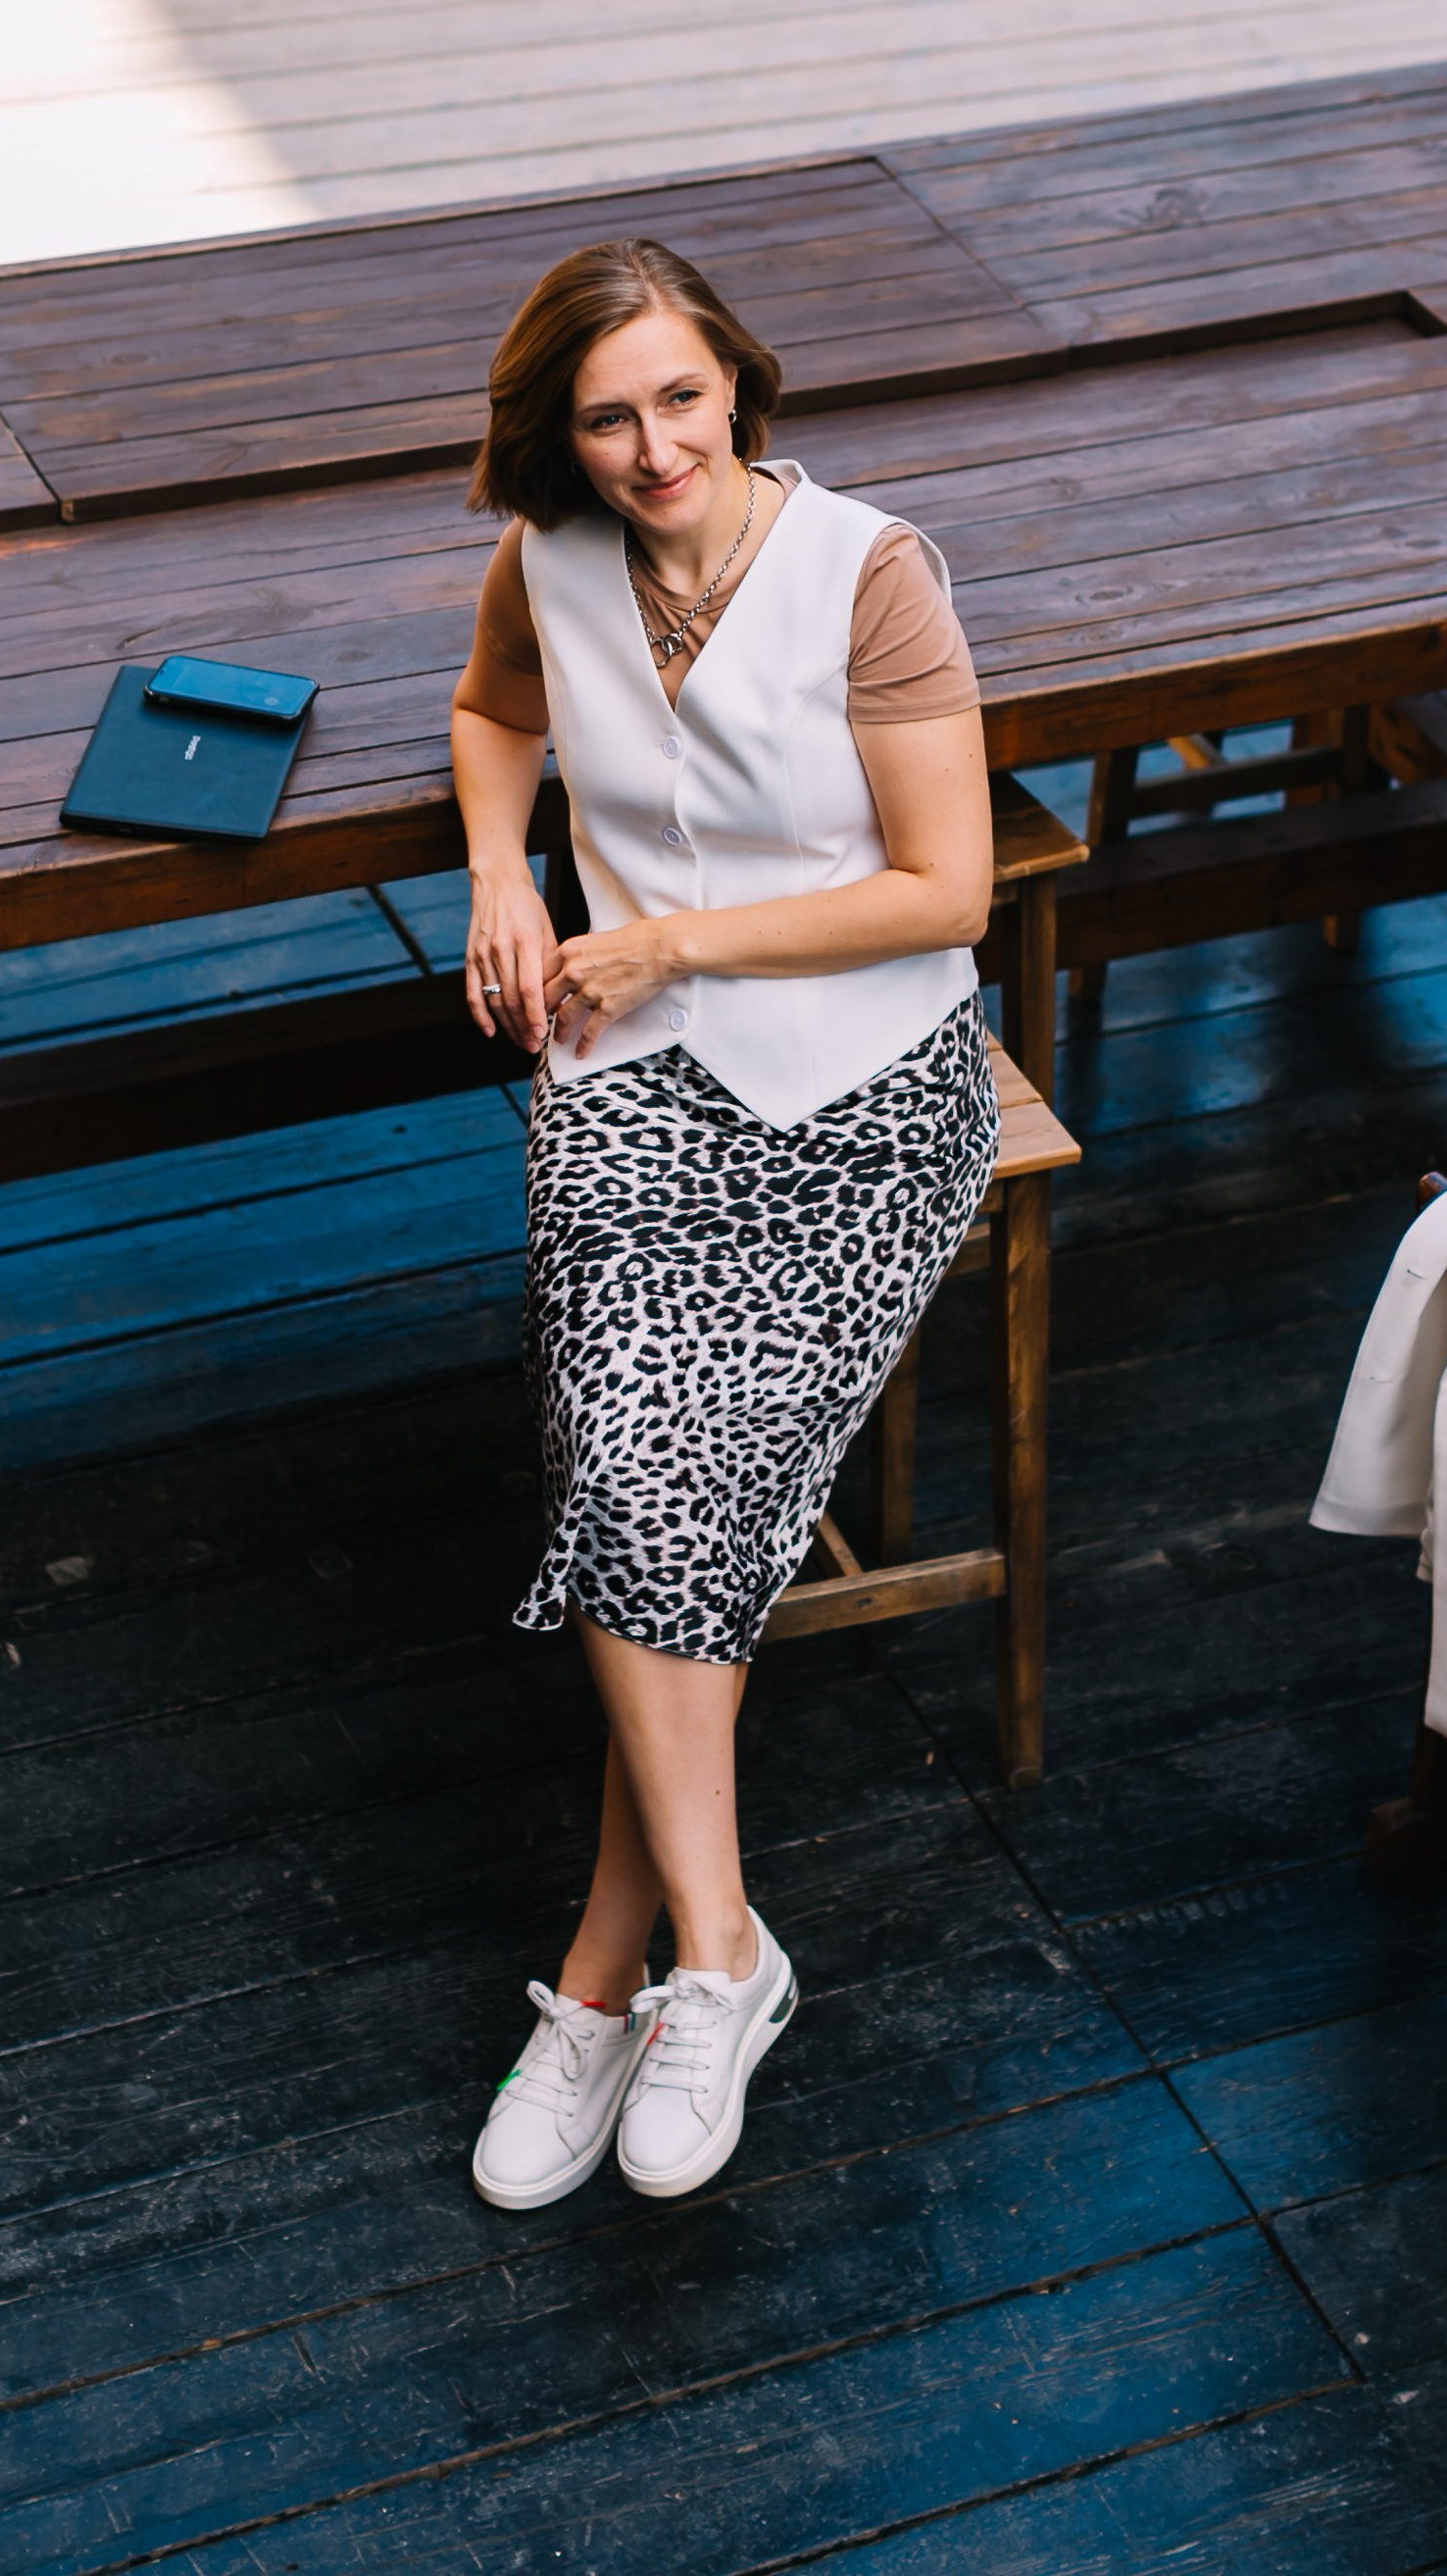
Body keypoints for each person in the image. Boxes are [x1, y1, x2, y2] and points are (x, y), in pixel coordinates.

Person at [449, 236, 999, 2212]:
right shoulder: (547, 561)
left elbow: (948, 891)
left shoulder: (868, 571)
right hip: (628, 1082)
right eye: (607, 416)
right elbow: (489, 715)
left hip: (865, 1095)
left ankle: (610, 1976)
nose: (652, 443)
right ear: (559, 434)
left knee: (664, 1493)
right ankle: (710, 1953)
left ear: (736, 390)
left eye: (680, 399)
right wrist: (500, 881)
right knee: (634, 1457)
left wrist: (665, 933)